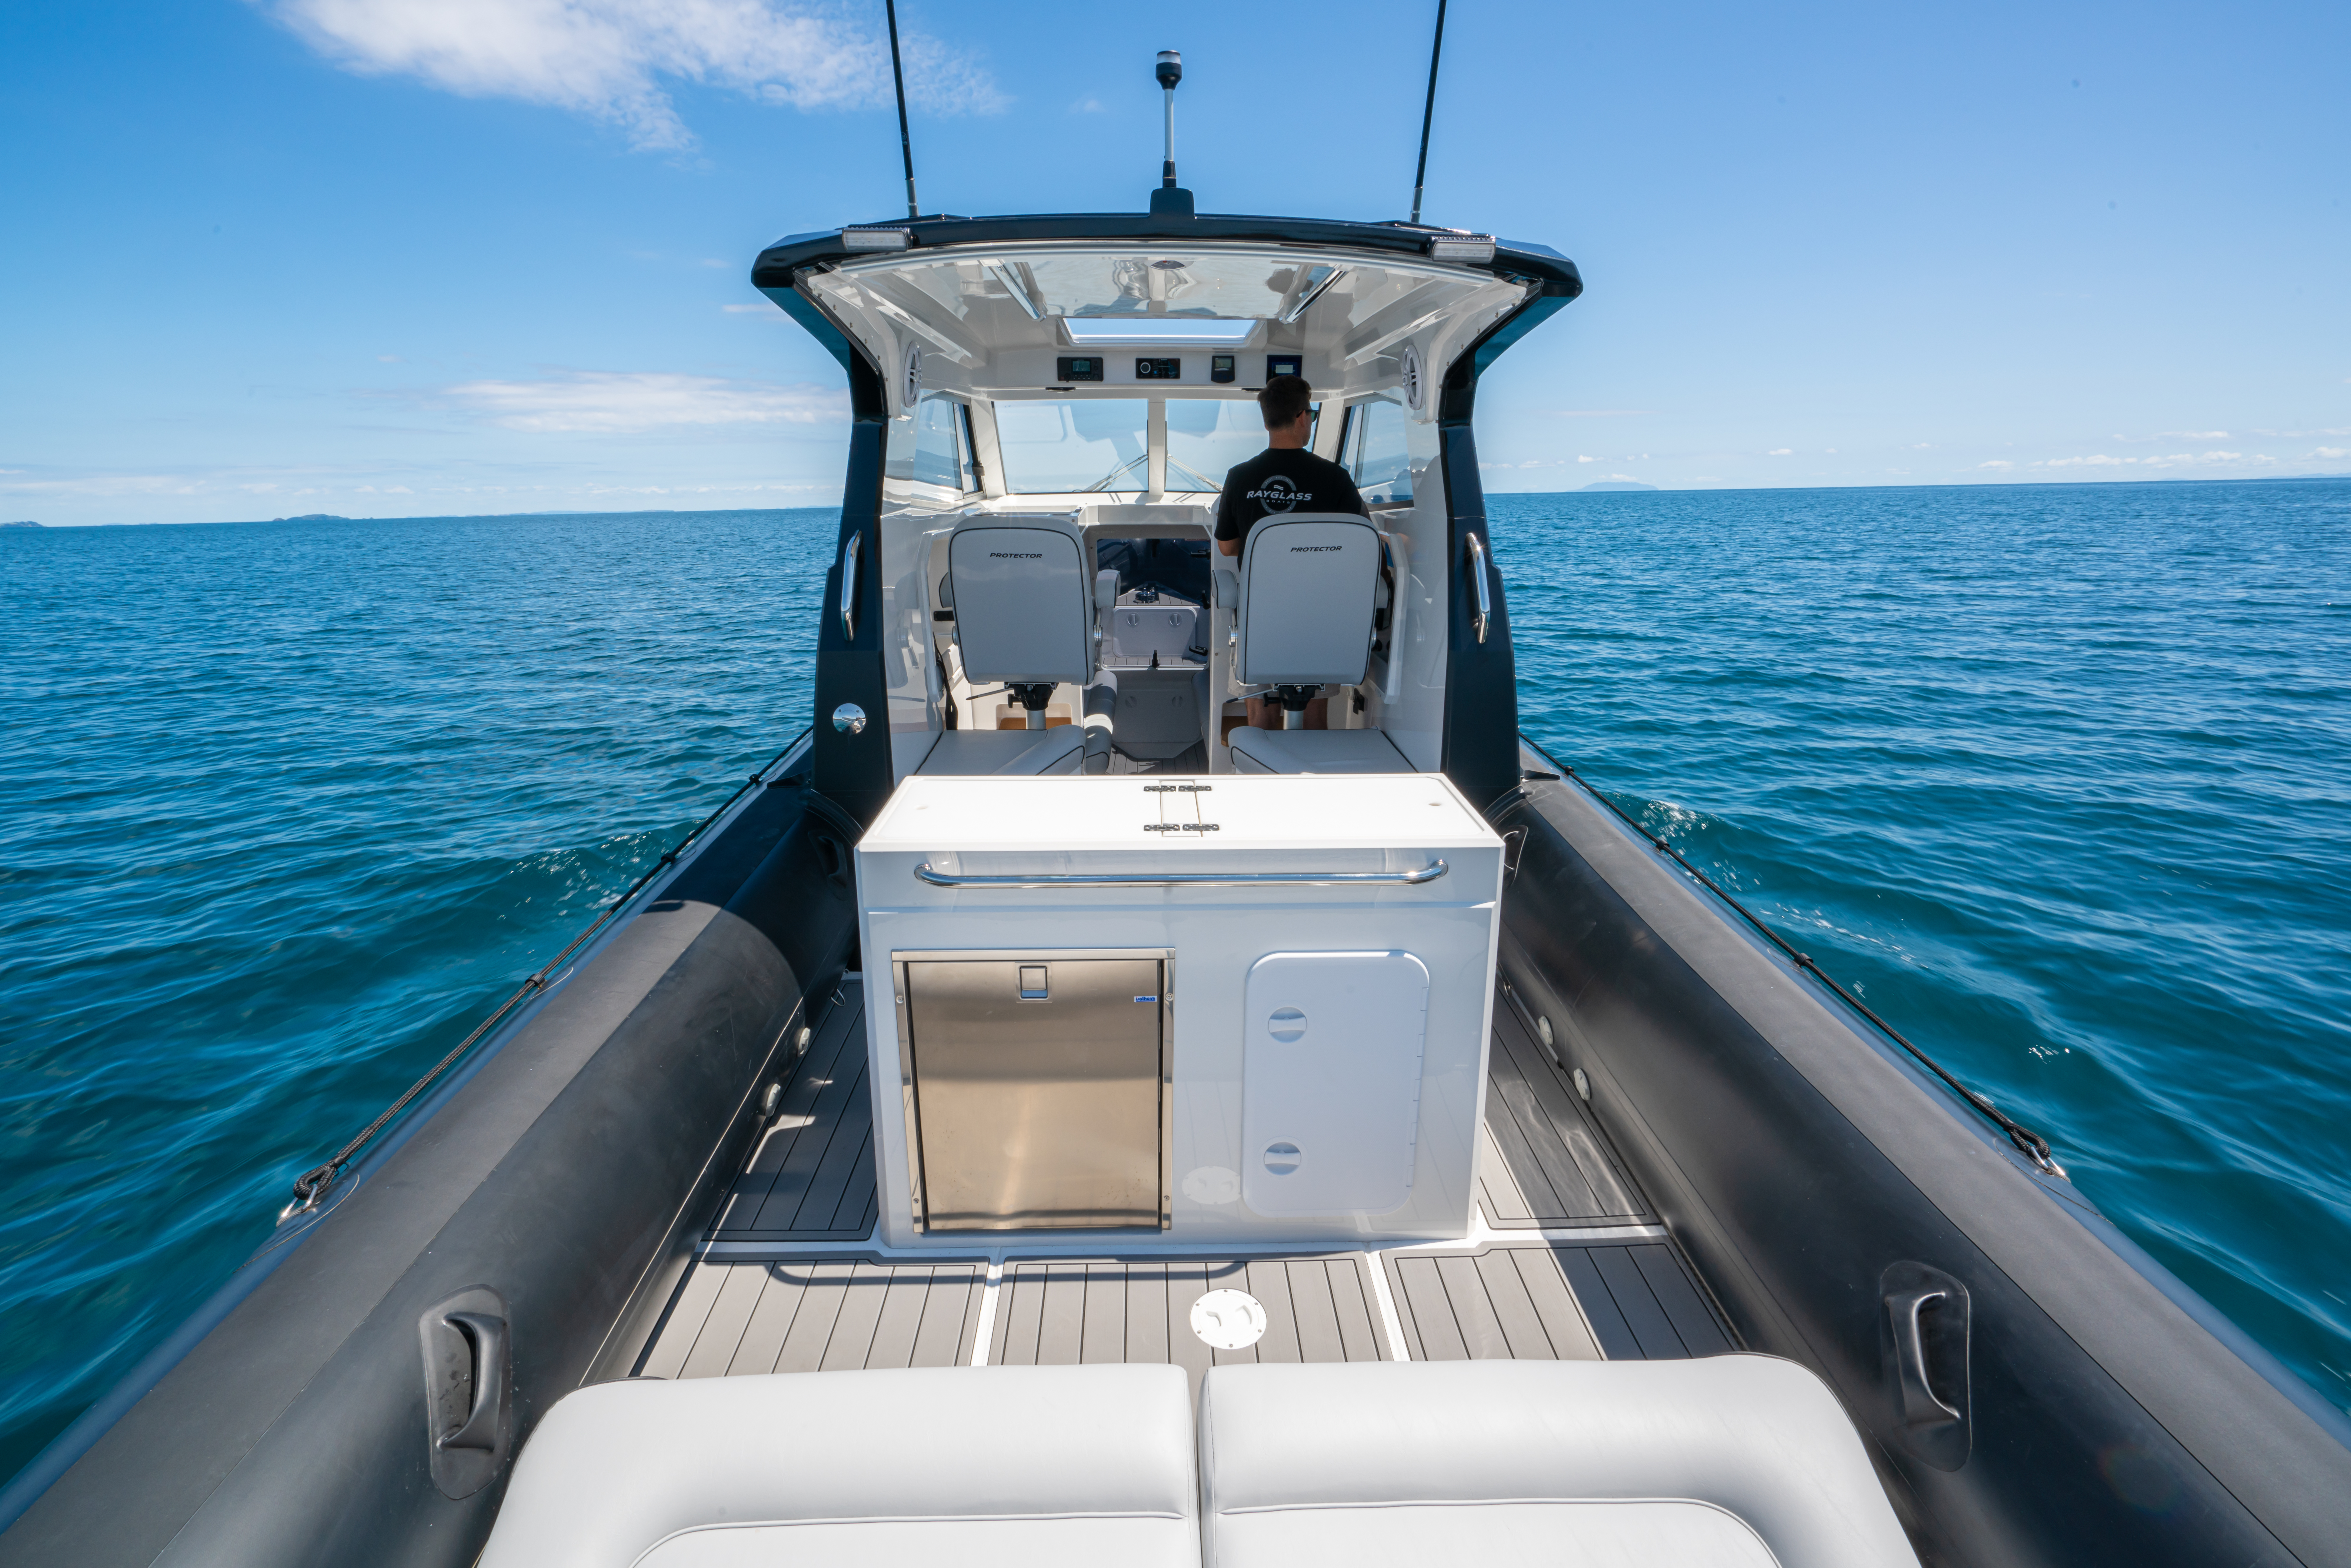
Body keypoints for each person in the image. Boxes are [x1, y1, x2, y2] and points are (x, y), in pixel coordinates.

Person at [1213, 375, 1366, 730]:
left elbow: (1227, 546)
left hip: (1259, 616)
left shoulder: (1239, 477)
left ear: (1267, 421)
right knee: (1312, 716)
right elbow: (1358, 541)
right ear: (1302, 417)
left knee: (1261, 716)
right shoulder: (1335, 478)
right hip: (1318, 614)